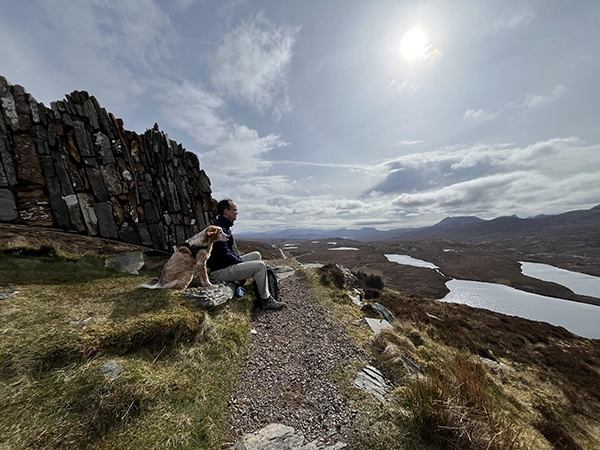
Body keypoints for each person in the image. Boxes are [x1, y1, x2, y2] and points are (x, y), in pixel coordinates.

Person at [207, 199, 286, 310]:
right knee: (260, 266)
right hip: (220, 271)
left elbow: (230, 252)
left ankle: (259, 288)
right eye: (235, 210)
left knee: (256, 255)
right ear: (226, 212)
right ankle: (266, 300)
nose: (237, 213)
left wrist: (240, 262)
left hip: (225, 265)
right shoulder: (218, 230)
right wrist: (240, 263)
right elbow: (224, 255)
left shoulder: (224, 227)